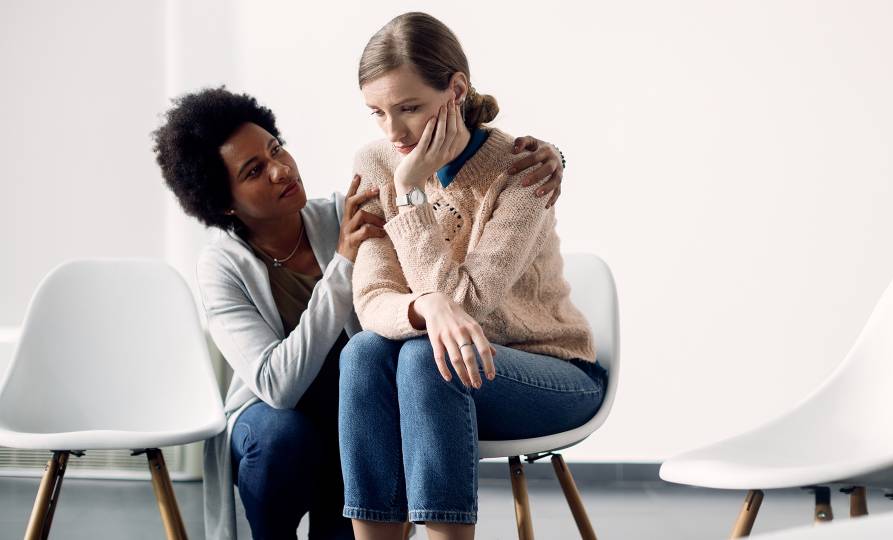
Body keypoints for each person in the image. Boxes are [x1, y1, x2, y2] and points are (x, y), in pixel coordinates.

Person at [151, 87, 568, 539]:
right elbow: (277, 385)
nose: (280, 170)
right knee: (279, 438)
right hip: (276, 416)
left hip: (354, 408)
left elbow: (439, 198)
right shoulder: (221, 266)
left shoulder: (344, 211)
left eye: (276, 149)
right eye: (254, 171)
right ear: (224, 202)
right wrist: (342, 265)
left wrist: (550, 156)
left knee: (364, 381)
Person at [340, 12, 607, 540]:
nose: (393, 132)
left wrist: (412, 191)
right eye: (377, 113)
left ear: (456, 89)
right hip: (452, 367)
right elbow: (372, 299)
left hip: (549, 371)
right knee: (364, 353)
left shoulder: (523, 169)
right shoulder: (375, 163)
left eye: (409, 108)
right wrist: (426, 307)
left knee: (424, 356)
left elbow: (471, 303)